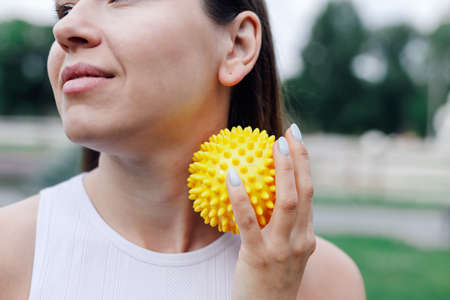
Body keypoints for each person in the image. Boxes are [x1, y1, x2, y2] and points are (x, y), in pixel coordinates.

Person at [0, 0, 366, 299]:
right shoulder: (7, 253)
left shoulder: (326, 283)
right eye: (64, 9)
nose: (64, 28)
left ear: (237, 45)